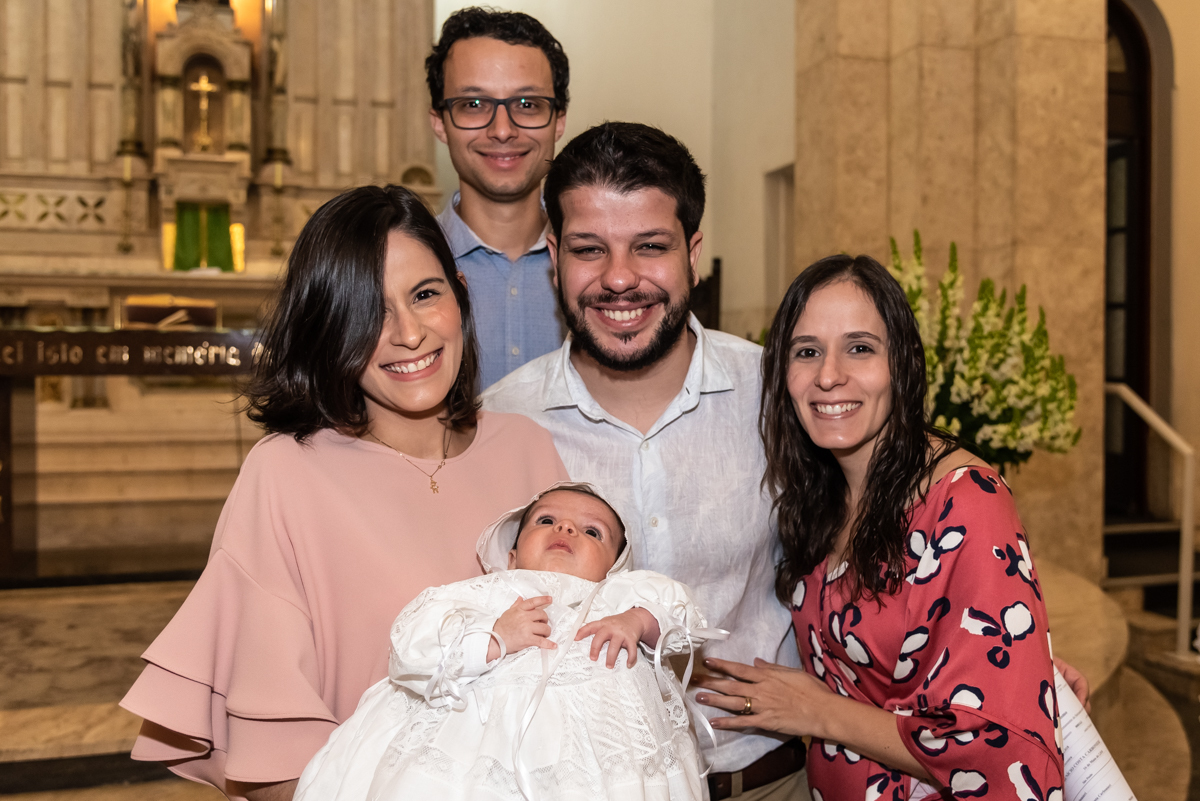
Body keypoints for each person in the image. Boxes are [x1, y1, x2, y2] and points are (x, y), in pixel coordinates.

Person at [120, 185, 568, 801]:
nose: (408, 334)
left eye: (425, 295)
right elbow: (270, 763)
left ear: (459, 297)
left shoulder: (528, 448)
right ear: (328, 329)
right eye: (369, 311)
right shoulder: (285, 475)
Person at [482, 122, 807, 801]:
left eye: (649, 247)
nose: (620, 278)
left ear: (692, 251)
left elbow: (880, 538)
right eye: (589, 250)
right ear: (553, 255)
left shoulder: (776, 392)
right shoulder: (500, 421)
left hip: (764, 781)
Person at [695, 255, 1064, 800]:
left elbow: (1001, 749)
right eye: (807, 352)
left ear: (904, 362)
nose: (828, 375)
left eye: (860, 348)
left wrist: (817, 712)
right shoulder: (824, 491)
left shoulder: (964, 500)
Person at [296, 483, 718, 800]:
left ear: (615, 568)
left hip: (601, 758)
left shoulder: (614, 597)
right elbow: (413, 647)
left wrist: (637, 620)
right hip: (475, 748)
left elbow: (683, 616)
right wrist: (493, 636)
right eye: (546, 521)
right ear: (511, 558)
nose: (567, 528)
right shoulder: (483, 595)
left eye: (592, 533)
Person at [427, 7, 569, 388]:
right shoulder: (400, 269)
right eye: (473, 105)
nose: (503, 130)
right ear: (439, 122)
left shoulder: (602, 270)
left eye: (527, 104)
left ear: (560, 120)